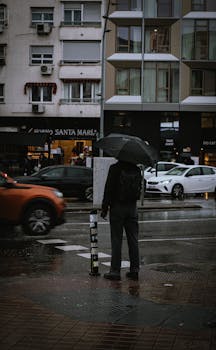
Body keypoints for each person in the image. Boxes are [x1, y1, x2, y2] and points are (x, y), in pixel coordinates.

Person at [101, 160, 142, 281]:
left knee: (116, 239)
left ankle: (115, 271)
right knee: (133, 239)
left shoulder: (115, 168)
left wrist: (105, 207)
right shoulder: (136, 169)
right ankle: (134, 269)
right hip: (132, 207)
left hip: (117, 207)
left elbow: (109, 188)